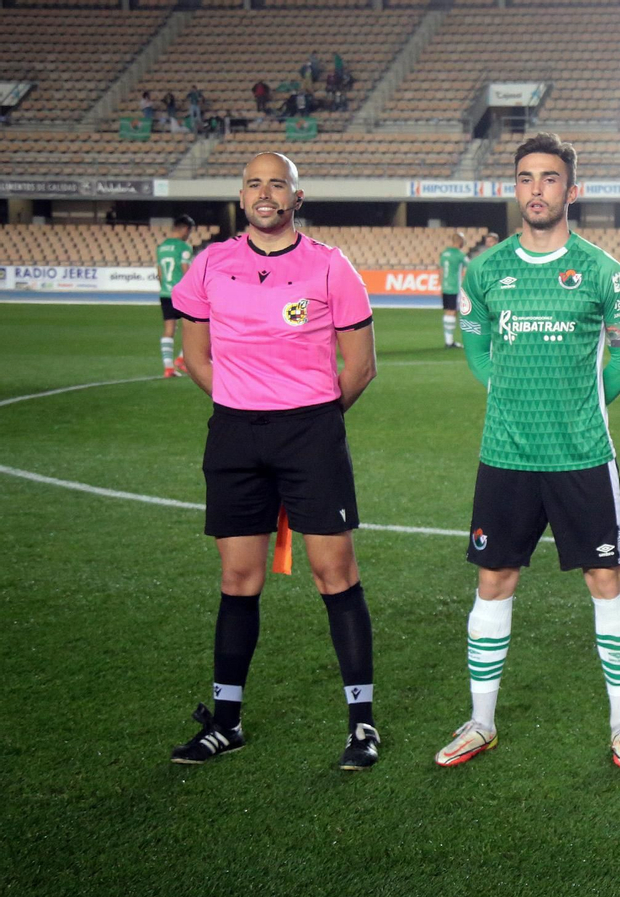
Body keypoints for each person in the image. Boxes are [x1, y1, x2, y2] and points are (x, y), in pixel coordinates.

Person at [433, 133, 620, 771]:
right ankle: (480, 722)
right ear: (515, 187)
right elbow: (476, 345)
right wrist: (503, 392)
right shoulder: (485, 271)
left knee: (606, 581)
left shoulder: (605, 273)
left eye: (550, 178)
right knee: (493, 581)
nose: (536, 189)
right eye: (526, 177)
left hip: (582, 454)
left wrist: (584, 405)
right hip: (506, 456)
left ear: (570, 190)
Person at [168, 152, 380, 770]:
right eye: (254, 184)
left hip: (310, 433)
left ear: (296, 197)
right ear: (241, 197)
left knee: (334, 573)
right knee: (238, 579)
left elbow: (361, 366)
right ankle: (225, 723)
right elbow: (195, 357)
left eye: (277, 184)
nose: (266, 193)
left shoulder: (331, 266)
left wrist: (310, 416)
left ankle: (362, 725)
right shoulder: (210, 263)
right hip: (235, 436)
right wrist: (245, 402)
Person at [155, 215, 196, 377]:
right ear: (185, 229)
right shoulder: (183, 247)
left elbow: (159, 272)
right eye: (189, 232)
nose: (189, 235)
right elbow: (185, 268)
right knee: (194, 328)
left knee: (169, 329)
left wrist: (164, 288)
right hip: (182, 294)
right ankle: (181, 359)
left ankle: (168, 368)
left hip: (165, 293)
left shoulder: (161, 247)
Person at [438, 231, 467, 348]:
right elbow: (470, 267)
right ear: (460, 241)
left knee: (448, 311)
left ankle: (448, 340)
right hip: (455, 287)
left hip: (445, 286)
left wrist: (441, 286)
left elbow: (440, 271)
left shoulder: (444, 253)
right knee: (452, 311)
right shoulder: (460, 255)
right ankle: (449, 342)